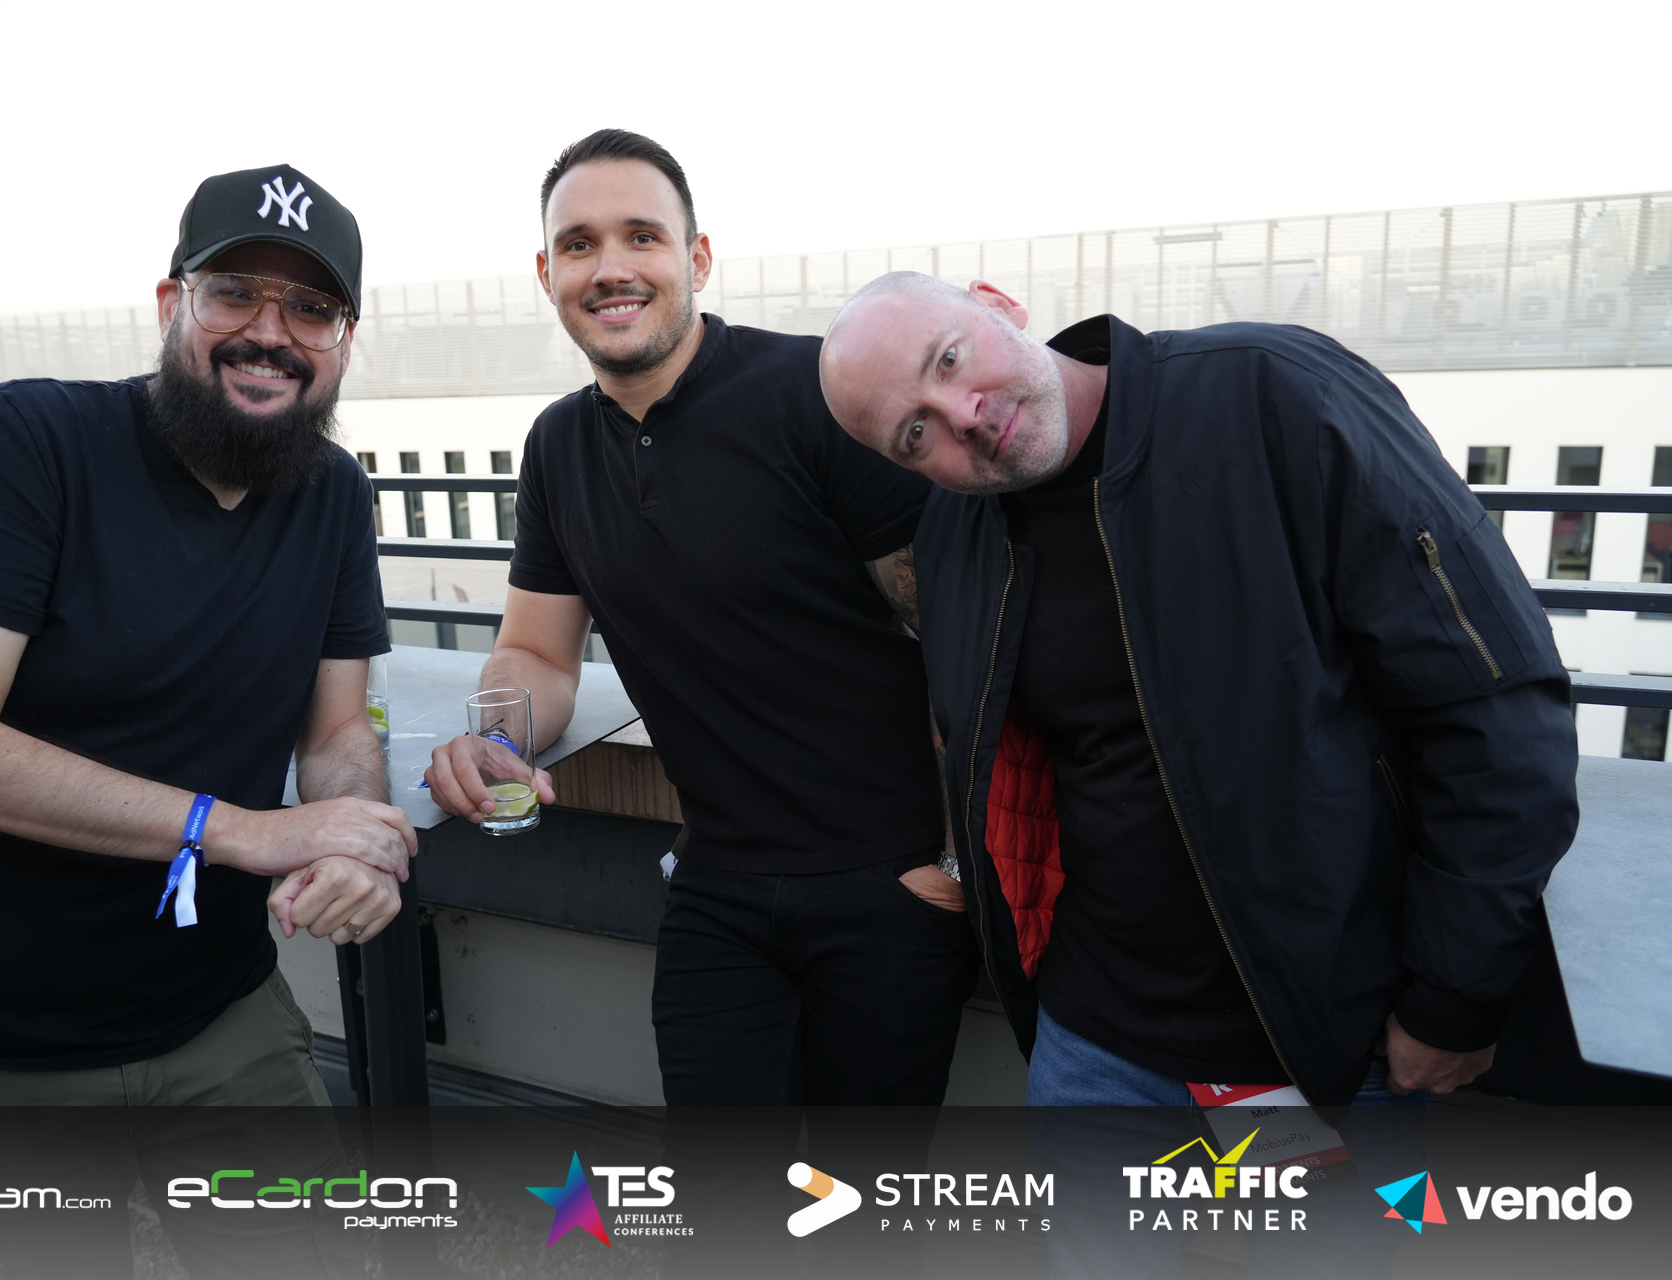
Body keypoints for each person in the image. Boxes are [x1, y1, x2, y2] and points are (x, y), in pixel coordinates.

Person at [817, 272, 1579, 1107]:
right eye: (915, 433)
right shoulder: (958, 534)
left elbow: (1493, 704)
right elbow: (1001, 766)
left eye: (950, 359)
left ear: (997, 303)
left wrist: (1454, 994)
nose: (961, 414)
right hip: (1090, 1043)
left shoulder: (1273, 392)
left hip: (1324, 1043)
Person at [0, 165, 405, 1272]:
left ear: (343, 339)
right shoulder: (27, 438)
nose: (271, 332)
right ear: (169, 303)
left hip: (218, 1009)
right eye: (234, 292)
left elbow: (337, 732)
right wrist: (243, 830)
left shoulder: (334, 494)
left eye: (311, 308)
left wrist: (353, 841)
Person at [424, 131, 977, 1107]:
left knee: (857, 1194)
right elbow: (535, 649)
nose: (612, 267)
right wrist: (499, 739)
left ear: (698, 257)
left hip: (884, 883)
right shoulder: (557, 446)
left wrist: (949, 863)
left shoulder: (817, 394)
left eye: (642, 235)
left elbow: (958, 640)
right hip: (715, 884)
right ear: (549, 274)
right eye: (580, 244)